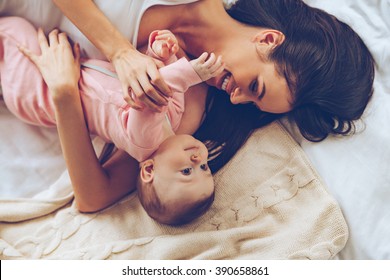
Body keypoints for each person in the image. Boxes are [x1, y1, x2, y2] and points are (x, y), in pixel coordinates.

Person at [1, 0, 375, 213]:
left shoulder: (185, 113)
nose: (236, 97)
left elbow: (94, 196)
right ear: (268, 39)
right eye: (255, 86)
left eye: (251, 103)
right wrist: (120, 52)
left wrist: (64, 93)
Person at [0, 17, 223, 225]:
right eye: (203, 166)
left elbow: (149, 94)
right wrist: (162, 53)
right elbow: (155, 79)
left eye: (186, 171)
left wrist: (193, 73)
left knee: (12, 30)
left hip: (38, 92)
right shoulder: (173, 118)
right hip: (62, 75)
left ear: (148, 171)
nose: (196, 158)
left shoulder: (144, 142)